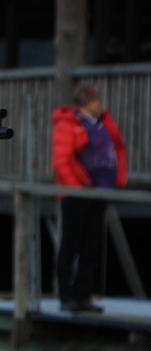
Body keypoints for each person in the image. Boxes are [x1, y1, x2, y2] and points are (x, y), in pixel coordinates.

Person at [51, 84, 127, 314]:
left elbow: (117, 145)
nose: (101, 104)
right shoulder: (68, 124)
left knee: (91, 245)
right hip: (77, 193)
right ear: (86, 102)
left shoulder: (101, 123)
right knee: (71, 244)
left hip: (99, 190)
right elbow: (61, 161)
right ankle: (66, 297)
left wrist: (115, 180)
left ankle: (83, 296)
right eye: (96, 100)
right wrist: (77, 188)